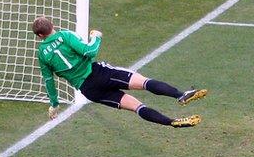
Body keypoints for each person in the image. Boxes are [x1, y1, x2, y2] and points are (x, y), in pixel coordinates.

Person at [32, 16, 207, 128]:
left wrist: (54, 105)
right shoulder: (65, 36)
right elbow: (90, 51)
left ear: (40, 36)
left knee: (137, 106)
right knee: (144, 82)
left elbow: (49, 81)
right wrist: (96, 36)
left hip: (89, 90)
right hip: (98, 73)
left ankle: (172, 122)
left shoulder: (42, 54)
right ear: (52, 25)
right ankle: (180, 95)